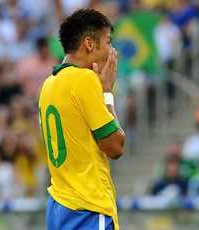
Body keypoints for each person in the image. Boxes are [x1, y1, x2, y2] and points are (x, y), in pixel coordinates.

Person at [39, 9, 125, 230]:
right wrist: (107, 93)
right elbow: (115, 147)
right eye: (108, 41)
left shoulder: (49, 84)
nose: (111, 50)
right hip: (87, 207)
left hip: (58, 205)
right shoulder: (84, 80)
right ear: (89, 44)